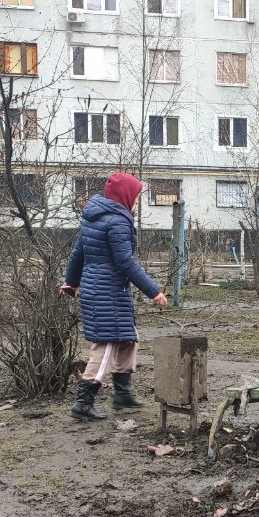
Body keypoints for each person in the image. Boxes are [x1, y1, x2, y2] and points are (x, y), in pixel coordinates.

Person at [62, 172, 167, 420]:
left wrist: (71, 282)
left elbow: (78, 253)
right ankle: (83, 404)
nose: (136, 201)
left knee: (129, 338)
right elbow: (125, 261)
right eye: (136, 196)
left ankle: (122, 393)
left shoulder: (95, 217)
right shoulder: (117, 221)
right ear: (125, 195)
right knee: (107, 345)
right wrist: (154, 291)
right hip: (105, 291)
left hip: (101, 289)